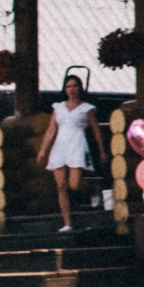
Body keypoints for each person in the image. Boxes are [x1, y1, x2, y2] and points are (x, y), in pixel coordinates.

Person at [36, 72, 106, 233]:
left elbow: (95, 130)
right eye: (68, 86)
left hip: (77, 144)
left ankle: (92, 188)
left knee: (73, 184)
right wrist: (42, 151)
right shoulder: (58, 107)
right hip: (60, 145)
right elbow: (51, 130)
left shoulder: (87, 109)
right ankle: (67, 223)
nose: (71, 89)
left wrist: (102, 150)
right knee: (61, 186)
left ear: (80, 88)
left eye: (74, 86)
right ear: (65, 89)